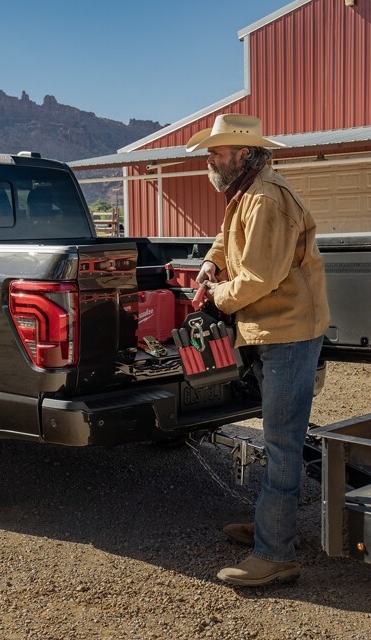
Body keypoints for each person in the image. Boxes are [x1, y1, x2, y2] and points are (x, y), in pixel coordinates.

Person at [186, 114, 330, 586]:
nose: (210, 157)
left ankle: (276, 554)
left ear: (243, 154)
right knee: (277, 438)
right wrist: (210, 265)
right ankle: (272, 528)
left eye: (217, 151)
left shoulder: (265, 199)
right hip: (274, 330)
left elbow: (259, 278)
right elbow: (227, 243)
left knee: (282, 442)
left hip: (287, 333)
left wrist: (215, 297)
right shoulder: (246, 191)